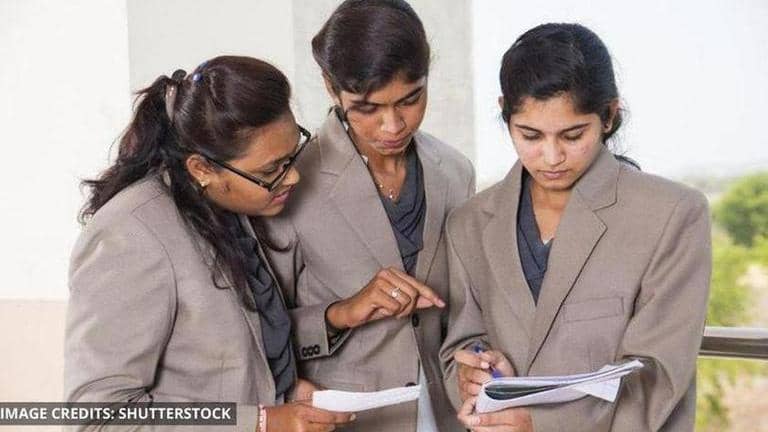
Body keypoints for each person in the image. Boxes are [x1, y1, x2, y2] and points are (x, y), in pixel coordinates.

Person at [440, 23, 711, 431]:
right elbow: (460, 344)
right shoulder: (469, 223)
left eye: (572, 135)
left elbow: (659, 375)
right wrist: (470, 373)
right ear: (505, 112)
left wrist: (541, 425)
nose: (551, 157)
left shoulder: (673, 214)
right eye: (530, 135)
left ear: (609, 115)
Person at [65, 56, 354, 432]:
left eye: (291, 157)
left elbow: (220, 359)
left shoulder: (229, 207)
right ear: (202, 169)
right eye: (271, 170)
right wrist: (260, 421)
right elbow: (98, 417)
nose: (293, 177)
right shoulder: (130, 234)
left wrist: (285, 390)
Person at [261, 1, 474, 430]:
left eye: (411, 99)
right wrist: (341, 313)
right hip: (342, 417)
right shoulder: (289, 182)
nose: (393, 126)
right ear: (330, 87)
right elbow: (256, 331)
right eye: (367, 108)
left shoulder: (455, 171)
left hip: (446, 413)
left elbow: (464, 311)